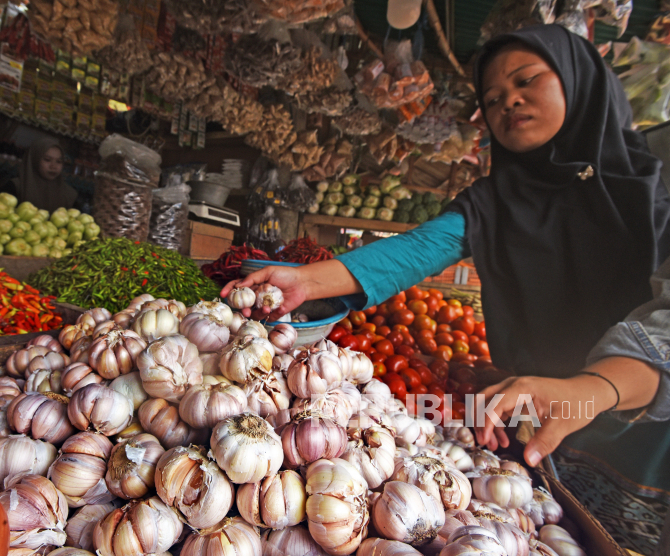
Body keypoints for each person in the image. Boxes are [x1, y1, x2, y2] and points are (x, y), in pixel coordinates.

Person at [222, 24, 670, 554]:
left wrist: (592, 390)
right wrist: (305, 281)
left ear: (581, 81)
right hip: (532, 426)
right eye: (494, 98)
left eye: (527, 81)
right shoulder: (497, 201)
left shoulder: (656, 181)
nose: (511, 103)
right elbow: (417, 250)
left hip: (643, 434)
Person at [4, 137, 78, 212]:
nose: (53, 166)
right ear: (34, 160)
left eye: (59, 161)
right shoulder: (15, 187)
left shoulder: (69, 195)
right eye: (47, 160)